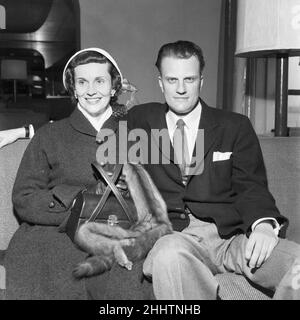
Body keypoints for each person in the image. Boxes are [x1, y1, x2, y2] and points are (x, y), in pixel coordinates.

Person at [126, 40, 300, 300]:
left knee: (296, 263)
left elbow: (251, 186)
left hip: (231, 238)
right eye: (172, 80)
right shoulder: (140, 120)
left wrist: (263, 226)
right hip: (176, 238)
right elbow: (102, 123)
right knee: (169, 256)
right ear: (160, 83)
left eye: (190, 79)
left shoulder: (234, 126)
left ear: (201, 81)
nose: (181, 89)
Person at [4, 47, 152, 300]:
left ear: (114, 87)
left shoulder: (135, 134)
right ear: (73, 89)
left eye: (100, 81)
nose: (91, 90)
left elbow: (153, 196)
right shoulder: (49, 135)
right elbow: (24, 197)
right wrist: (75, 202)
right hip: (56, 231)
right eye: (82, 82)